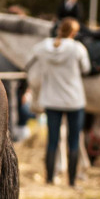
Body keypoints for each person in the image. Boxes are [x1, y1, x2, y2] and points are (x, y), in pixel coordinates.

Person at [28, 17, 90, 187]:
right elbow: (86, 68)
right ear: (74, 32)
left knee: (52, 140)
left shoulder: (43, 47)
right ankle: (71, 180)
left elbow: (29, 60)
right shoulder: (78, 48)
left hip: (51, 98)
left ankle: (49, 178)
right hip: (74, 100)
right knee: (74, 140)